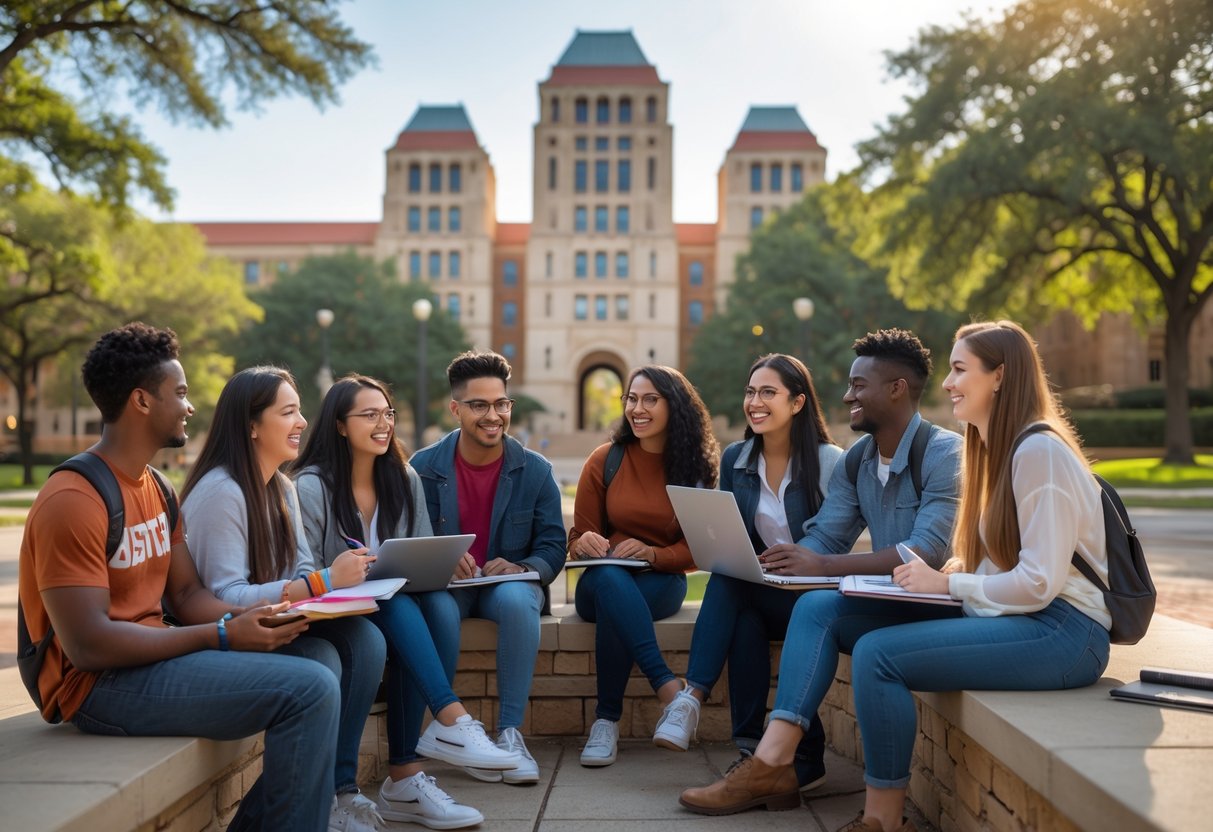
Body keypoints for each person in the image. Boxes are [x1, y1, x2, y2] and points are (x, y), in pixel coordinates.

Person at [681, 321, 1113, 832]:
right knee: (818, 608)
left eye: (959, 370)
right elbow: (839, 539)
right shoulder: (970, 449)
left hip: (1064, 630)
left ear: (999, 376)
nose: (948, 384)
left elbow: (1034, 581)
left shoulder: (1026, 450)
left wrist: (946, 580)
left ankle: (878, 818)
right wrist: (789, 565)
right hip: (1000, 610)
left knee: (877, 653)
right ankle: (775, 764)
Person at [18, 323, 338, 832]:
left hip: (152, 658)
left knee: (320, 655)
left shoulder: (158, 489)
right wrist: (223, 634)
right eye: (181, 393)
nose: (191, 407)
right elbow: (88, 646)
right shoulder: (72, 501)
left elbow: (187, 594)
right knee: (309, 690)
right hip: (97, 686)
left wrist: (257, 615)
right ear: (142, 402)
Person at [678, 328, 963, 814]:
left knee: (815, 608)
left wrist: (823, 563)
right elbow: (826, 535)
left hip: (941, 605)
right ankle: (773, 760)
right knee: (800, 604)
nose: (848, 394)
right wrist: (791, 565)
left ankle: (771, 762)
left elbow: (927, 550)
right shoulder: (858, 460)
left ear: (896, 388)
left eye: (859, 384)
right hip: (887, 602)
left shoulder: (945, 452)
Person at [293, 375, 519, 829]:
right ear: (340, 425)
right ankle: (448, 722)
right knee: (397, 605)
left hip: (392, 608)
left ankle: (407, 776)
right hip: (334, 612)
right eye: (370, 415)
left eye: (388, 414)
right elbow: (308, 571)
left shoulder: (402, 477)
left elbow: (418, 551)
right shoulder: (311, 486)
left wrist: (441, 562)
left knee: (435, 605)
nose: (384, 424)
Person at [181, 366, 388, 832]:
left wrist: (332, 582)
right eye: (288, 412)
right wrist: (320, 584)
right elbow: (222, 597)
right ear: (252, 425)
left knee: (367, 642)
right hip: (223, 636)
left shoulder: (282, 485)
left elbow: (298, 567)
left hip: (280, 621)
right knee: (322, 662)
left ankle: (337, 789)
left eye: (301, 411)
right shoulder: (221, 492)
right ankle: (294, 807)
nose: (301, 423)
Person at [653, 354, 843, 791]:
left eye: (768, 392)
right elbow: (729, 536)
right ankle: (757, 752)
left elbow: (835, 538)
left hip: (813, 597)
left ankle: (694, 699)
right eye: (750, 392)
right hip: (761, 591)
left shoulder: (830, 462)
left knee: (732, 589)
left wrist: (795, 561)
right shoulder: (737, 458)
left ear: (797, 403)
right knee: (737, 604)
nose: (754, 402)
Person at [410, 350, 567, 785]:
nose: (493, 415)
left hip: (506, 589)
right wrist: (440, 558)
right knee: (435, 610)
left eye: (501, 404)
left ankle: (510, 735)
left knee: (519, 600)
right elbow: (402, 540)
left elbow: (555, 546)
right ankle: (453, 733)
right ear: (456, 409)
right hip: (448, 588)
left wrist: (521, 566)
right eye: (479, 405)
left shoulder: (535, 470)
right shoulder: (421, 470)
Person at [568, 365, 719, 767]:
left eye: (650, 399)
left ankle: (605, 723)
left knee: (617, 610)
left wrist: (653, 554)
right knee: (609, 579)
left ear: (677, 406)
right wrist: (584, 542)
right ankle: (670, 690)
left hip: (661, 581)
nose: (638, 408)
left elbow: (699, 549)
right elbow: (577, 537)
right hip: (598, 583)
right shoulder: (605, 460)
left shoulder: (696, 469)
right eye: (631, 399)